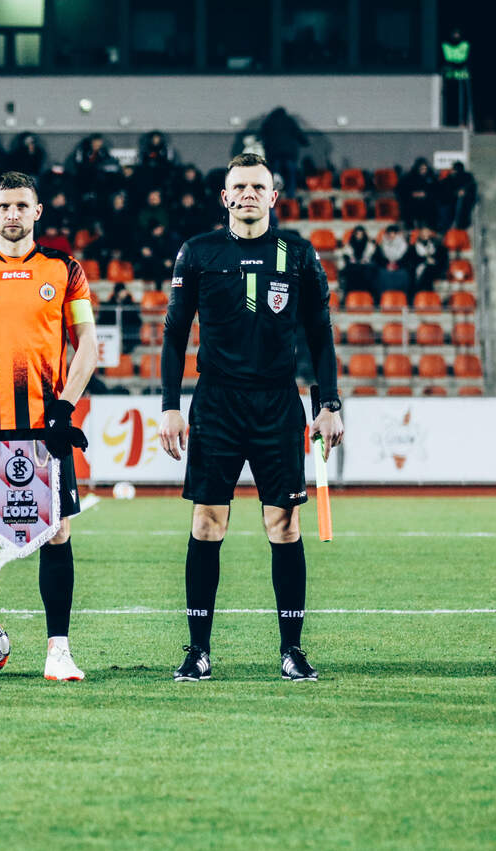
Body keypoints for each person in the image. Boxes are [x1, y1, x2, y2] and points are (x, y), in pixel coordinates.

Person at [158, 152, 343, 683]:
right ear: (225, 196)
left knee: (283, 525)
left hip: (278, 403)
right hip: (215, 403)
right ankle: (198, 650)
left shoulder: (298, 254)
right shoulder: (198, 252)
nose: (248, 195)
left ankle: (292, 650)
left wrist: (328, 403)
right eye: (239, 187)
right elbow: (174, 334)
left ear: (273, 196)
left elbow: (320, 333)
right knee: (207, 522)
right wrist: (170, 406)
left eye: (258, 187)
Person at [0, 171, 99, 682]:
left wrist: (64, 410)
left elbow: (88, 345)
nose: (12, 214)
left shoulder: (65, 270)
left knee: (58, 532)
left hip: (46, 428)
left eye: (21, 205)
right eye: (3, 206)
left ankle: (59, 651)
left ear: (37, 211)